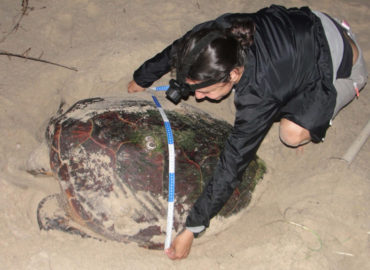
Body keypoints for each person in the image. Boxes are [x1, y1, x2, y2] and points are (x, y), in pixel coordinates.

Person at [127, 5, 368, 260]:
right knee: (279, 91)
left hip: (341, 64)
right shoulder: (213, 38)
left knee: (292, 134)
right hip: (308, 28)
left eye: (205, 92)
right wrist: (142, 78)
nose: (197, 97)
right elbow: (177, 49)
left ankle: (348, 74)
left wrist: (193, 228)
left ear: (233, 73)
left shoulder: (260, 92)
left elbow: (232, 165)